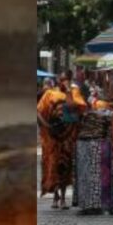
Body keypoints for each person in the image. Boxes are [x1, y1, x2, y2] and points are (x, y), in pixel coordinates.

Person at [37, 71, 86, 210]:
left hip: (68, 137)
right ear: (58, 79)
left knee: (65, 166)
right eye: (62, 78)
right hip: (53, 137)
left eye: (67, 79)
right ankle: (55, 196)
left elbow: (76, 108)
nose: (64, 80)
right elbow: (38, 111)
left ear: (70, 79)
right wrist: (46, 125)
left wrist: (69, 91)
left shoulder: (74, 92)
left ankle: (63, 197)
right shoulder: (50, 94)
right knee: (53, 165)